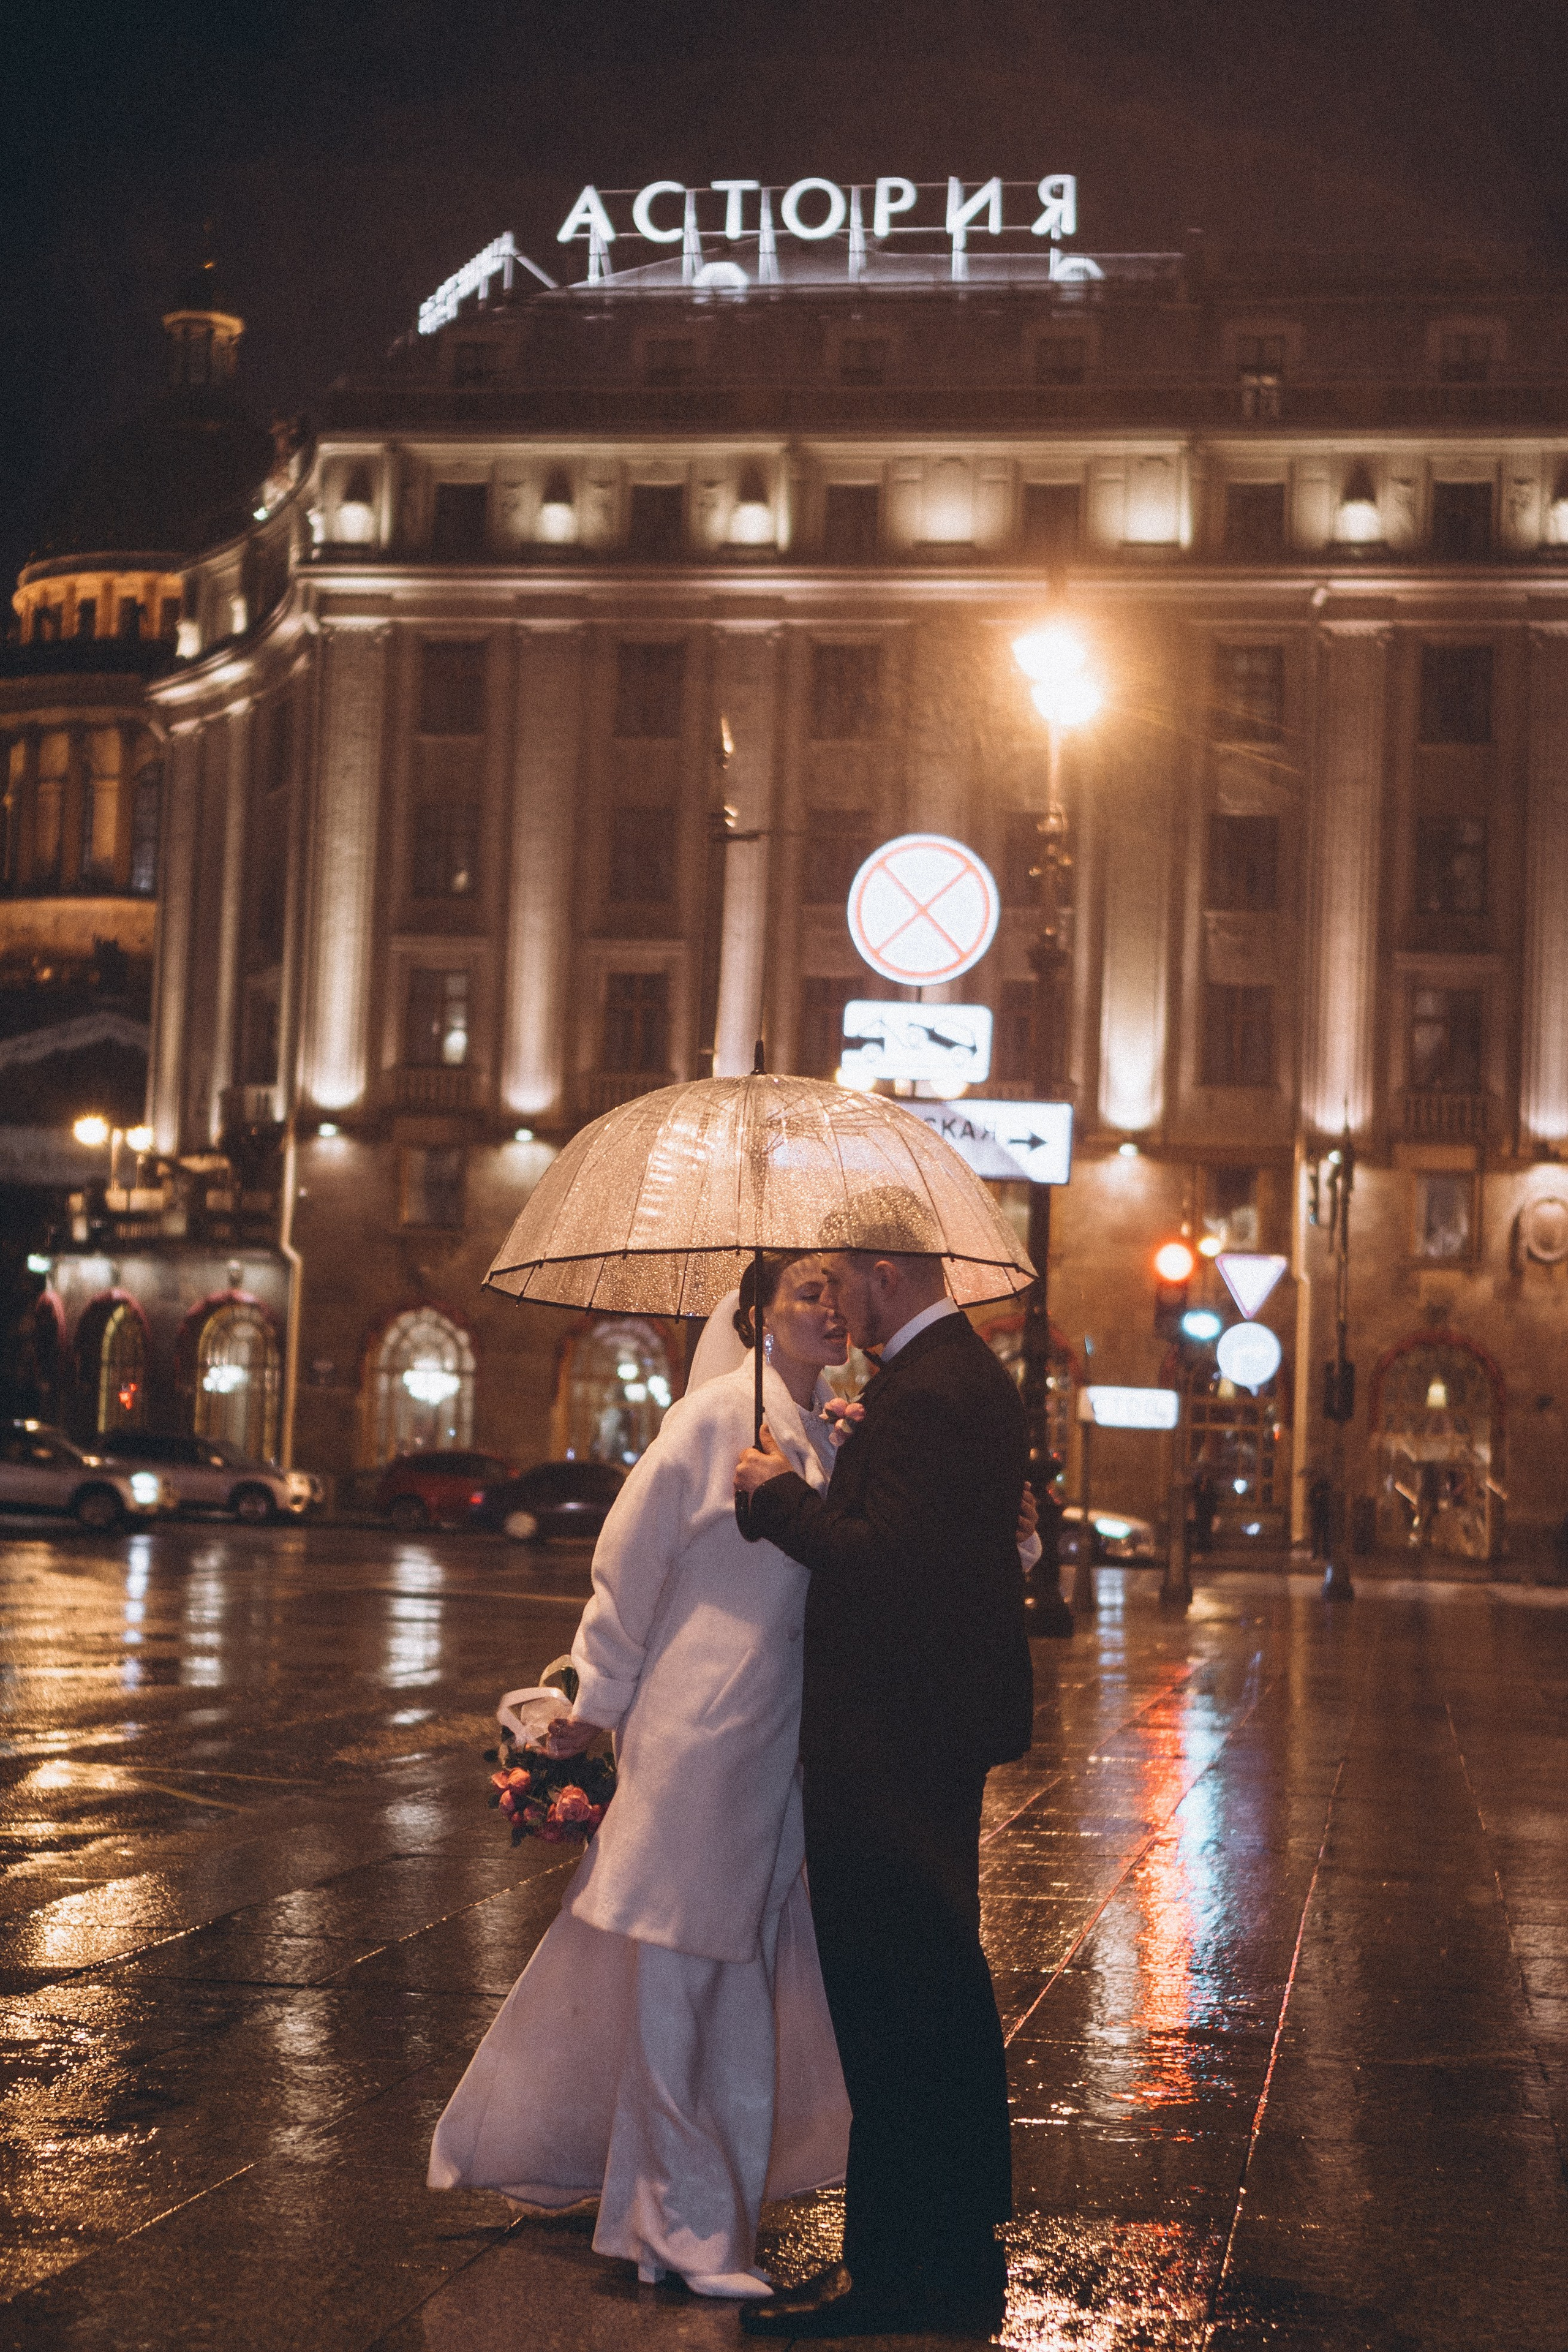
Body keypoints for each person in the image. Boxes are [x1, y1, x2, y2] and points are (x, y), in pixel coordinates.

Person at [428, 1254, 854, 2297]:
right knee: (685, 1982)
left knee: (727, 1979)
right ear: (757, 1315)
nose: (832, 1309)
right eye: (808, 1291)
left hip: (773, 1743)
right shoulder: (716, 1419)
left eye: (842, 1292)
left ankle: (653, 2219)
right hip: (701, 1736)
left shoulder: (819, 1434)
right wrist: (598, 1698)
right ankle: (688, 2233)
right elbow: (631, 1557)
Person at [734, 1186, 1033, 2341]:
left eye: (843, 1277)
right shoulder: (946, 1381)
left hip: (892, 1746)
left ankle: (909, 2274)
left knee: (901, 2006)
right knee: (930, 1996)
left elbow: (881, 1562)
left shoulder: (933, 1392)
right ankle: (927, 2254)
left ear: (887, 1276)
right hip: (926, 1736)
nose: (836, 1297)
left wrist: (781, 1501)